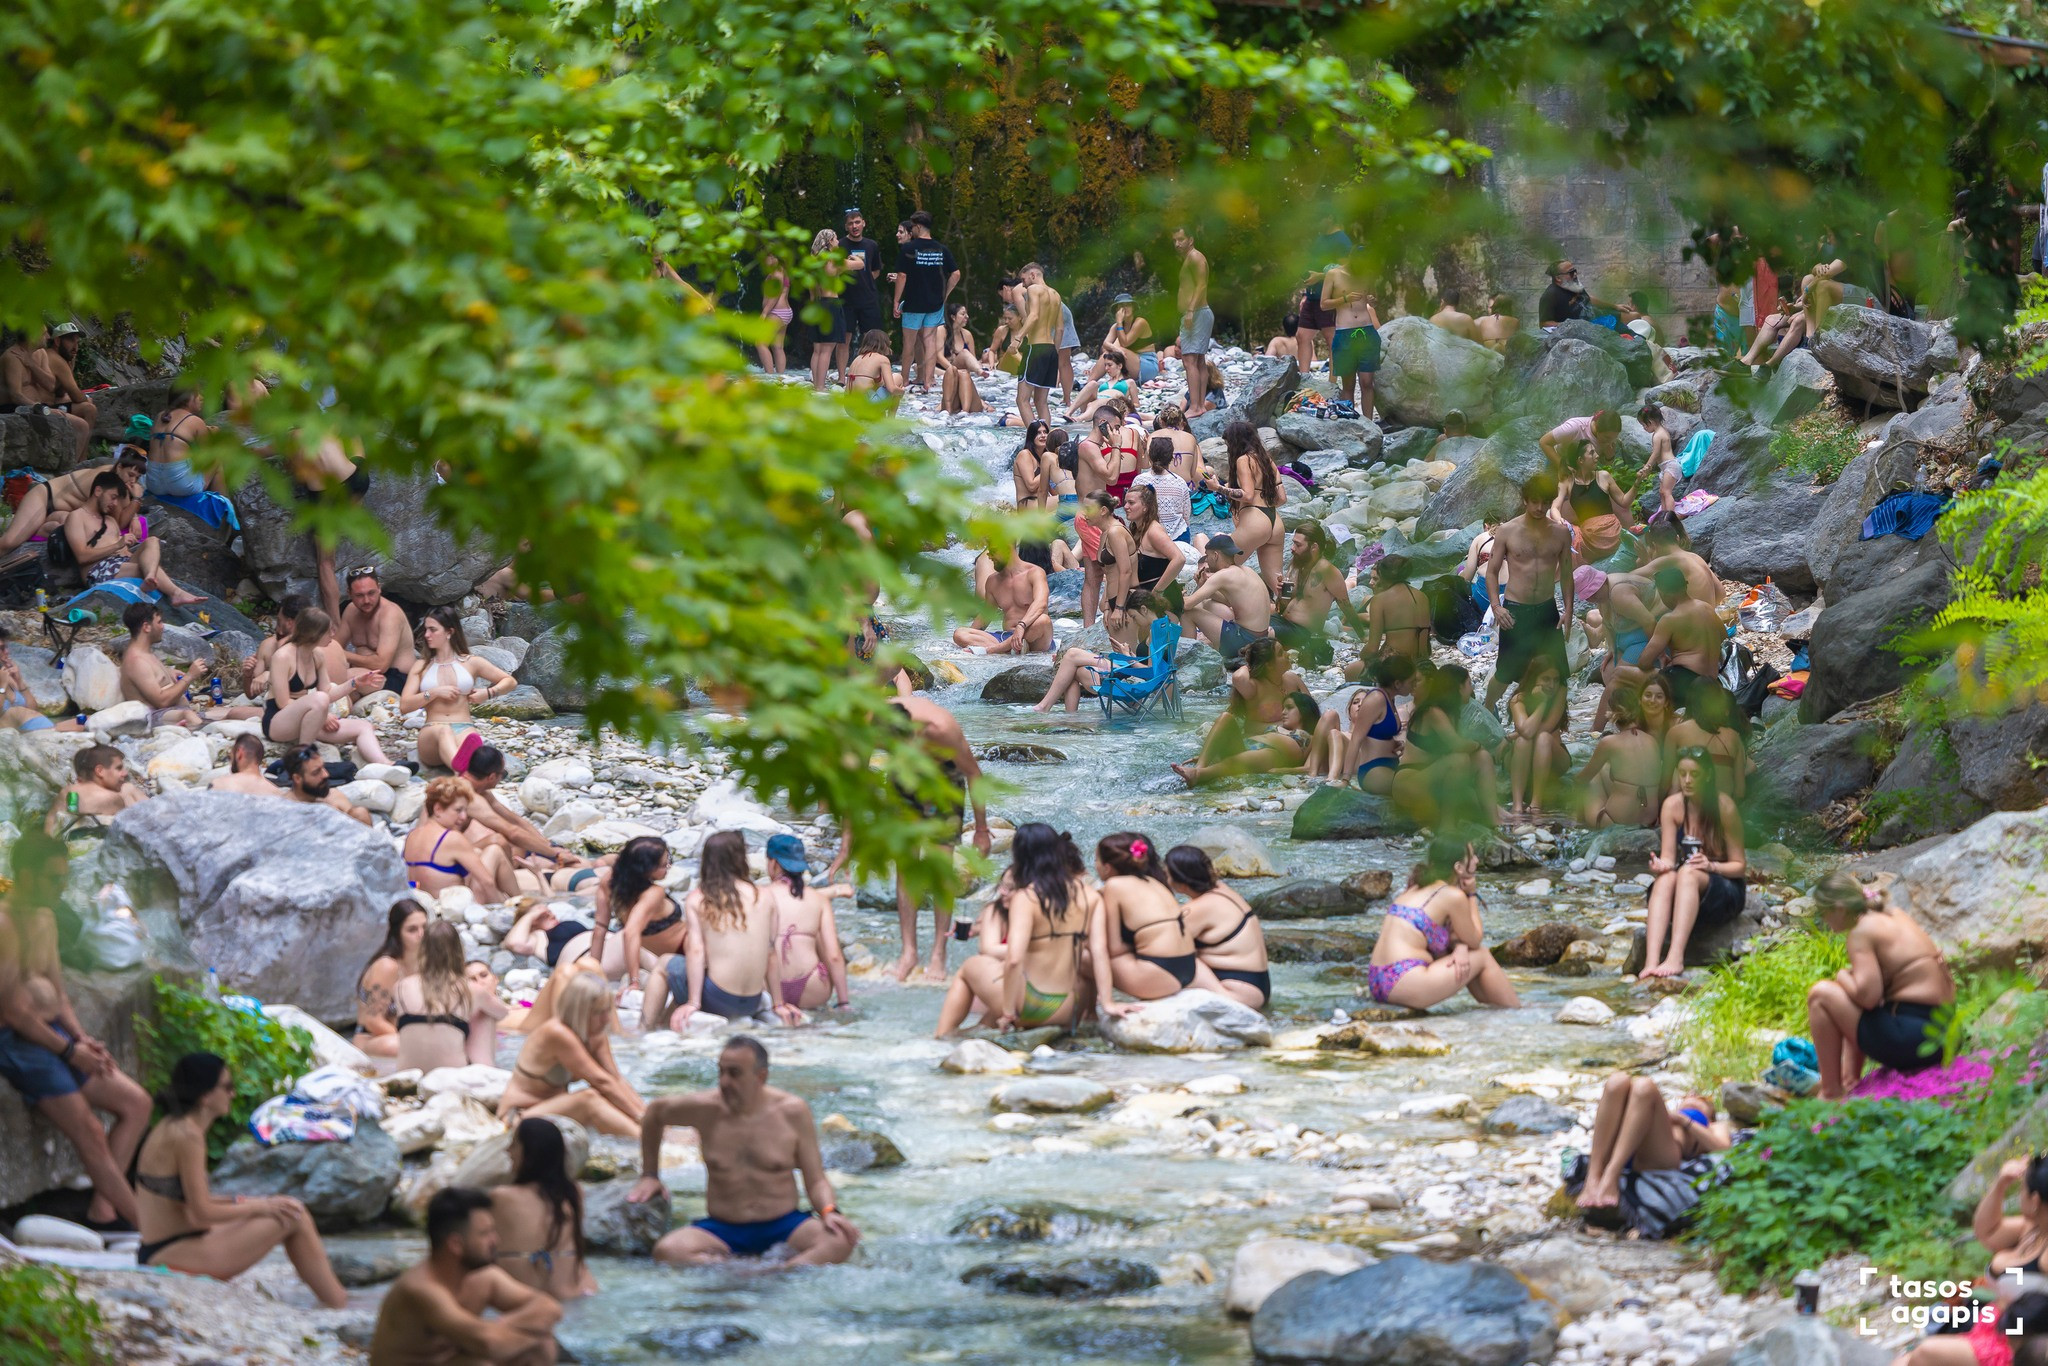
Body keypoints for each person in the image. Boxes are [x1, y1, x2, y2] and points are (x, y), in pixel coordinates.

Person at [0, 830, 151, 1232]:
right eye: (53, 879)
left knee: (137, 1103)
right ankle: (150, 1234)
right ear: (26, 876)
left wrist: (82, 1039)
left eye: (64, 878)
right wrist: (69, 1053)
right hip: (17, 1042)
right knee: (88, 1129)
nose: (61, 887)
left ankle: (104, 1211)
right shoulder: (4, 923)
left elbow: (58, 992)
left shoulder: (45, 917)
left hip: (52, 1033)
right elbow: (13, 1010)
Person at [132, 1050, 347, 1302]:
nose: (233, 1094)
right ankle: (338, 1303)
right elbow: (202, 1213)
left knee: (282, 1207)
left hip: (164, 1246)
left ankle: (336, 1298)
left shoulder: (172, 1126)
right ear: (205, 1095)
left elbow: (191, 1205)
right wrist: (262, 1206)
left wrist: (254, 1203)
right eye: (227, 1087)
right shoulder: (188, 1136)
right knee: (294, 1215)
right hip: (171, 1254)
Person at [632, 1036, 861, 1266]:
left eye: (734, 1073)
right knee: (667, 1251)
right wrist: (650, 1175)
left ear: (761, 1076)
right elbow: (654, 1114)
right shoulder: (704, 1109)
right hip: (723, 1229)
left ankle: (771, 1272)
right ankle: (761, 1273)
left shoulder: (792, 1111)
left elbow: (816, 1179)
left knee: (841, 1240)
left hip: (785, 1226)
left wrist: (829, 1211)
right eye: (721, 1072)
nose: (724, 1082)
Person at [369, 1186, 562, 1366]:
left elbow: (549, 1307)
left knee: (542, 1347)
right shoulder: (421, 1289)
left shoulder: (484, 1277)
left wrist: (504, 1324)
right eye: (485, 1234)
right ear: (456, 1245)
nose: (496, 1240)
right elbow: (488, 1343)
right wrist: (531, 1333)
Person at [1805, 871, 1955, 1099]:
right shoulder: (1894, 914)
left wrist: (1842, 975)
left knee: (1820, 995)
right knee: (1846, 1001)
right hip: (1947, 1032)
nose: (1823, 920)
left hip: (1916, 1039)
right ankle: (1849, 1080)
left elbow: (1868, 997)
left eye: (1823, 912)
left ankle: (1830, 1093)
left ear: (1839, 908)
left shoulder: (1860, 932)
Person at [935, 823, 1094, 1035]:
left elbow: (1012, 959)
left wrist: (1009, 1013)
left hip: (1030, 1005)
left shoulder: (1026, 897)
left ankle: (941, 1036)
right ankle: (976, 1031)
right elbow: (1098, 952)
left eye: (1009, 888)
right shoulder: (1081, 895)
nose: (1004, 893)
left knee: (972, 966)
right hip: (1070, 1008)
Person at [882, 692, 990, 980]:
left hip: (944, 777)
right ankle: (909, 952)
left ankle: (938, 954)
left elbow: (975, 775)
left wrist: (981, 830)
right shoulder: (876, 721)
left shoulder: (942, 731)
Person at [1366, 836, 1518, 1009]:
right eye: (1472, 856)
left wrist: (1460, 947)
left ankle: (1497, 1009)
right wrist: (1471, 895)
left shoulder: (1417, 886)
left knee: (1465, 958)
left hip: (1378, 980)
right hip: (1404, 980)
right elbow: (1475, 940)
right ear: (1459, 868)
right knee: (1482, 955)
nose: (1476, 860)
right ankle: (1518, 1012)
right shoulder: (1451, 895)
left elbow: (1452, 939)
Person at [1640, 746, 1747, 978]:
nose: (1687, 780)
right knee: (1667, 877)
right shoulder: (1672, 805)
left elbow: (1740, 866)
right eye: (1682, 774)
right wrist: (1661, 865)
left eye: (1695, 775)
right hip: (1686, 892)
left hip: (1723, 889)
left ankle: (1676, 957)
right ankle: (1650, 961)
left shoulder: (1724, 806)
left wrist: (1711, 866)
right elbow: (1669, 858)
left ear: (1707, 775)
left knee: (1687, 872)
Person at [500, 969, 645, 1138]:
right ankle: (656, 1145)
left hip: (554, 1111)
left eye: (607, 1011)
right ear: (580, 1011)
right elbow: (601, 1082)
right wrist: (645, 1122)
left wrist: (649, 1115)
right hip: (518, 1117)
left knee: (606, 1095)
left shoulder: (594, 1034)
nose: (606, 1019)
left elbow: (615, 1080)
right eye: (598, 1012)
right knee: (588, 1099)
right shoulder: (556, 1032)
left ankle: (654, 1136)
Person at [1091, 832, 1225, 1011]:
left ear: (1107, 867)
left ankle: (1097, 1009)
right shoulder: (1155, 882)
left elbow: (1114, 950)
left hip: (1158, 976)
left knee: (1085, 956)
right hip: (1187, 970)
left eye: (1096, 860)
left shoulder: (1114, 886)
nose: (1095, 865)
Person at [665, 830, 780, 1026]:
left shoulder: (699, 898)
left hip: (718, 999)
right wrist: (779, 1003)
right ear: (740, 859)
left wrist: (694, 1002)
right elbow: (770, 952)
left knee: (664, 964)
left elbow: (695, 951)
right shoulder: (764, 896)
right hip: (752, 1002)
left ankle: (645, 1029)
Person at [1484, 473, 1575, 710]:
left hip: (1546, 609)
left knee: (1558, 672)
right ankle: (1487, 708)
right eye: (1534, 501)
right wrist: (1496, 606)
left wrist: (1568, 611)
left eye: (1545, 502)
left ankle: (1555, 723)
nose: (1539, 507)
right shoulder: (1507, 531)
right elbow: (1491, 572)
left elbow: (1566, 574)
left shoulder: (1560, 533)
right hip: (1516, 610)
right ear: (1525, 500)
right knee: (1506, 672)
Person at [1575, 1076, 1731, 1211]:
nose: (1692, 1095)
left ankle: (1611, 1175)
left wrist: (1684, 1120)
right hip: (1625, 1148)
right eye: (1687, 1096)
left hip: (1659, 1155)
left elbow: (1724, 1149)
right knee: (1617, 1081)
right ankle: (1593, 1177)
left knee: (1645, 1086)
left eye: (1701, 1099)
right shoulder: (1660, 1114)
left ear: (1711, 1115)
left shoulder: (1713, 1126)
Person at [263, 607, 391, 763]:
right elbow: (282, 702)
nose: (333, 634)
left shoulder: (317, 655)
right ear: (314, 634)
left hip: (308, 718)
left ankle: (387, 764)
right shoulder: (282, 656)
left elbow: (328, 693)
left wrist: (355, 683)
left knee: (363, 727)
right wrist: (322, 716)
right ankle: (303, 758)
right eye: (328, 631)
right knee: (319, 699)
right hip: (278, 722)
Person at [400, 607, 516, 773]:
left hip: (464, 726)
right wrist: (434, 692)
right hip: (432, 730)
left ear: (449, 632)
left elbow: (510, 681)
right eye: (426, 630)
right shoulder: (421, 666)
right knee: (444, 731)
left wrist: (488, 693)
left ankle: (465, 769)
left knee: (470, 739)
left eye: (432, 630)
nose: (426, 635)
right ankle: (462, 770)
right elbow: (404, 705)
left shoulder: (472, 662)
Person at [58, 471, 203, 603]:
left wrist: (127, 549)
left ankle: (150, 576)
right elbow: (81, 557)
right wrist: (117, 545)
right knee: (143, 569)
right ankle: (174, 592)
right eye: (113, 497)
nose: (114, 504)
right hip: (97, 570)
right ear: (98, 491)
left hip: (121, 563)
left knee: (152, 541)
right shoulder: (76, 517)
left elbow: (125, 551)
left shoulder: (110, 520)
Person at [490, 1118, 595, 1301]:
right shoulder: (574, 1193)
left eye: (514, 1144)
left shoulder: (501, 1197)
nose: (508, 1151)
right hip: (577, 1296)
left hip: (523, 1304)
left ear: (530, 1152)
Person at [1390, 664, 1502, 829]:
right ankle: (1448, 825)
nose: (1471, 689)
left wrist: (1479, 750)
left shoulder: (1450, 712)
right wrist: (1478, 744)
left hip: (1433, 777)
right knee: (1459, 759)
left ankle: (1494, 820)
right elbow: (1457, 744)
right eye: (1469, 683)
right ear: (1458, 687)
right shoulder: (1433, 711)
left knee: (1482, 757)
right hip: (1410, 782)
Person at [755, 834, 852, 1017]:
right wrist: (843, 1002)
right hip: (812, 987)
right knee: (813, 935)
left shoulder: (759, 896)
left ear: (773, 863)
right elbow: (834, 956)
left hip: (768, 987)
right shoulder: (818, 900)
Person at [1168, 844, 1270, 1010]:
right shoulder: (1223, 889)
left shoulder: (1200, 907)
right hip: (1256, 986)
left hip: (1236, 995)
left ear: (1180, 883)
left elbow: (1162, 946)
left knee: (1174, 958)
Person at [394, 921, 505, 1072]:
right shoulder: (470, 990)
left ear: (422, 950)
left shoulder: (401, 986)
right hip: (452, 1075)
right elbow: (502, 1013)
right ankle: (487, 1069)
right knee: (486, 1015)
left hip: (408, 1073)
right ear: (458, 952)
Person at [1029, 591, 1163, 714]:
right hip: (1131, 671)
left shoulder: (1156, 632)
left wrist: (1128, 657)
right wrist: (1129, 654)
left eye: (1134, 616)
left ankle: (1045, 706)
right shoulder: (1163, 627)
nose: (1134, 621)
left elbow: (1150, 672)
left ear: (1144, 610)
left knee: (1072, 654)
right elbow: (1152, 665)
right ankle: (1070, 717)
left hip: (1132, 675)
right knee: (1073, 670)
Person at [0, 448, 147, 559]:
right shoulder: (106, 480)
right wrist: (137, 499)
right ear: (120, 467)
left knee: (66, 525)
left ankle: (39, 527)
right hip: (45, 496)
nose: (133, 481)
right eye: (131, 475)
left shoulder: (117, 479)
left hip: (59, 512)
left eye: (137, 477)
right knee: (9, 542)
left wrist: (134, 516)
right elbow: (118, 522)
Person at [405, 776, 529, 900]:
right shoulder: (451, 838)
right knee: (494, 851)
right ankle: (519, 900)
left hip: (430, 904)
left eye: (465, 810)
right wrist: (501, 908)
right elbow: (487, 882)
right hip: (458, 907)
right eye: (458, 810)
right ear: (438, 809)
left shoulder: (412, 835)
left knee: (477, 852)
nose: (464, 817)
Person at [1201, 420, 1285, 596]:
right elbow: (1282, 498)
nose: (1228, 449)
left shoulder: (1243, 460)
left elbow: (1247, 495)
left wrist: (1218, 488)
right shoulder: (1267, 460)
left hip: (1255, 521)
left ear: (1235, 442)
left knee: (1217, 566)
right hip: (1274, 522)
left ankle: (1200, 607)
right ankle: (1293, 611)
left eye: (1228, 444)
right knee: (1278, 581)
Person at [1172, 691, 1318, 785]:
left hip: (1272, 756)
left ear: (1304, 710)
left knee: (1265, 754)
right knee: (1226, 717)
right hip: (1249, 748)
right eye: (1283, 708)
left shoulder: (1313, 736)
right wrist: (1210, 752)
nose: (1284, 712)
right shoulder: (1277, 726)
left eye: (1289, 707)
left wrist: (1281, 770)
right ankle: (1199, 768)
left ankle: (1200, 775)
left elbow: (1310, 767)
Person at [1, 325, 95, 461]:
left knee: (86, 415)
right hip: (16, 408)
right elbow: (16, 396)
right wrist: (43, 409)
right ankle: (69, 471)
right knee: (81, 425)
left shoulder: (40, 353)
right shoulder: (13, 357)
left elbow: (50, 385)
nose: (48, 337)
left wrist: (31, 364)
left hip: (40, 406)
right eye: (44, 333)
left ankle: (79, 463)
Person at [1273, 524, 1361, 668]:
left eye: (1297, 544)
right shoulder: (1296, 564)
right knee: (1255, 625)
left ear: (1314, 547)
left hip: (1302, 631)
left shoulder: (1327, 571)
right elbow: (1282, 607)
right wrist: (1281, 593)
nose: (1292, 548)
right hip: (1284, 621)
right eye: (1293, 543)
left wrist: (1362, 635)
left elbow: (1345, 605)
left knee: (1263, 632)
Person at [1637, 566, 1723, 711]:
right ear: (1685, 585)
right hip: (1712, 681)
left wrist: (1667, 659)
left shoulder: (1670, 619)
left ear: (1665, 593)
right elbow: (1724, 636)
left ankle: (1600, 729)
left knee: (1621, 675)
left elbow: (1644, 662)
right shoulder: (1707, 607)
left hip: (1685, 683)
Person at [1575, 688, 1664, 828]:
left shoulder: (1609, 742)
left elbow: (1582, 779)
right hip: (1650, 820)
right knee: (1608, 770)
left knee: (1594, 778)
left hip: (1616, 821)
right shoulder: (1652, 741)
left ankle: (1578, 824)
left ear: (1612, 714)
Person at [1180, 534, 1274, 664]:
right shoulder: (1247, 570)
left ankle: (1186, 659)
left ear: (1216, 555)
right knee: (1206, 604)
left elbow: (1188, 605)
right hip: (1260, 638)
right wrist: (1202, 585)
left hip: (1244, 639)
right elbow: (1227, 601)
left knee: (1188, 613)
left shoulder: (1223, 575)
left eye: (1207, 556)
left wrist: (1175, 596)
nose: (1207, 560)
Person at [892, 211, 959, 391]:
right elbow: (956, 274)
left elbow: (902, 275)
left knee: (909, 343)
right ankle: (928, 382)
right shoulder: (941, 249)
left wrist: (896, 300)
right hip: (935, 303)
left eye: (912, 227)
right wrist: (945, 294)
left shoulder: (909, 249)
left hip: (914, 302)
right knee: (930, 343)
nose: (911, 230)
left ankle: (905, 380)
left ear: (918, 227)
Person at [117, 601, 206, 730]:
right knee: (189, 715)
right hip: (155, 718)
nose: (163, 627)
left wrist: (168, 672)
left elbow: (149, 676)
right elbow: (161, 701)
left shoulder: (145, 654)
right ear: (146, 627)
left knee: (235, 712)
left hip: (177, 712)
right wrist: (190, 676)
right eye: (159, 622)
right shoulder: (136, 660)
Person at [356, 901, 427, 1058]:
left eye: (425, 927)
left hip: (410, 1035)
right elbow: (372, 1020)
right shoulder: (387, 966)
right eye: (412, 929)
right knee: (399, 1046)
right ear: (397, 933)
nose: (421, 934)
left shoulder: (426, 963)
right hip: (376, 1038)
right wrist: (413, 1040)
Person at [338, 567, 419, 701]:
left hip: (397, 678)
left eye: (371, 593)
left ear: (379, 588)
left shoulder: (390, 614)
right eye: (359, 595)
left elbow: (381, 665)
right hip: (366, 676)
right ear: (349, 593)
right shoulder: (351, 611)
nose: (366, 600)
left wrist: (342, 655)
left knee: (342, 676)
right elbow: (335, 645)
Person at [1505, 655, 1570, 821]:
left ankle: (1536, 803)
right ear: (1535, 678)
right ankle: (1517, 804)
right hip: (1524, 754)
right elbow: (1526, 731)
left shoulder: (1560, 691)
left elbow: (1547, 726)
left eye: (1555, 679)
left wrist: (1512, 735)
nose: (1552, 685)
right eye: (1546, 679)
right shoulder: (1518, 699)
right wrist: (1542, 703)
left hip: (1553, 754)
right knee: (1523, 740)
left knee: (1543, 737)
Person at [952, 550, 1052, 655]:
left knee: (1043, 620)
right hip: (1006, 637)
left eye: (994, 550)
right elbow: (986, 615)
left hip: (1033, 637)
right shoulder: (992, 581)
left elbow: (1041, 603)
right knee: (960, 633)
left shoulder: (1035, 573)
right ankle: (1008, 648)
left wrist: (1021, 626)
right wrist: (971, 634)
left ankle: (994, 650)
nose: (989, 555)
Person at [1666, 681, 1750, 801]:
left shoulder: (1676, 732)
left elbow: (1665, 782)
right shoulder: (1734, 737)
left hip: (1686, 811)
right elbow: (1740, 791)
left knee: (1677, 772)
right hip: (1721, 811)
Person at [1321, 254, 1380, 419]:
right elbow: (1324, 304)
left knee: (1367, 382)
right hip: (1344, 332)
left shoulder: (1366, 274)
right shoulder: (1333, 274)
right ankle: (1352, 421)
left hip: (1366, 330)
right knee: (1348, 384)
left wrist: (1371, 299)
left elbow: (1372, 298)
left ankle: (1369, 423)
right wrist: (1345, 298)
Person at [146, 385, 228, 499]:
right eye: (198, 394)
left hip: (154, 483)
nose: (201, 397)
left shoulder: (160, 416)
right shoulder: (195, 421)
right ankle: (222, 504)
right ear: (188, 399)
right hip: (181, 486)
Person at [47, 743, 147, 835]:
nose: (125, 773)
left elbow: (50, 828)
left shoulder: (70, 792)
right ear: (100, 771)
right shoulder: (113, 797)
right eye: (119, 768)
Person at [1011, 263, 1062, 428]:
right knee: (1041, 402)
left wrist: (1018, 338)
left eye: (1024, 279)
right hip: (1051, 350)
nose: (1023, 284)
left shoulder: (1033, 290)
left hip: (1035, 348)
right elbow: (1060, 328)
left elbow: (1033, 316)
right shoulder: (1056, 295)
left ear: (1033, 274)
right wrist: (1055, 353)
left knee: (1022, 399)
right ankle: (1046, 439)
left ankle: (1034, 438)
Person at [1173, 227, 1216, 418]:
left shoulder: (1195, 257)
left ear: (1190, 239)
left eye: (1181, 239)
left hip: (1197, 312)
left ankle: (1196, 406)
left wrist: (1190, 310)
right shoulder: (1190, 258)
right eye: (1175, 240)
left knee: (1190, 360)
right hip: (1197, 313)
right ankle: (1198, 405)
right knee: (1197, 360)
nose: (1177, 244)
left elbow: (1202, 284)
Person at [0, 627, 75, 734]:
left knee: (87, 720)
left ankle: (55, 729)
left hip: (30, 729)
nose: (7, 652)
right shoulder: (3, 679)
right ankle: (56, 730)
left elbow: (33, 709)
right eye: (1, 648)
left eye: (6, 647)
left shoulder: (7, 675)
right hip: (11, 734)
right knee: (16, 712)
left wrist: (19, 680)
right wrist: (2, 686)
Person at [1363, 554, 1432, 665]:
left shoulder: (1379, 600)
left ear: (1382, 575)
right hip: (1421, 662)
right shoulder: (1422, 596)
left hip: (1395, 664)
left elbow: (1372, 648)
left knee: (1351, 671)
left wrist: (1361, 656)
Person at [1121, 484, 1185, 601]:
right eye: (1125, 502)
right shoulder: (1135, 530)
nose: (1125, 507)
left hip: (1162, 599)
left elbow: (1179, 559)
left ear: (1145, 507)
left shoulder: (1154, 531)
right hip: (1142, 597)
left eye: (1131, 503)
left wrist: (1157, 591)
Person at [279, 745, 371, 825]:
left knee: (360, 813)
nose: (326, 775)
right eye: (316, 772)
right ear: (297, 778)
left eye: (323, 768)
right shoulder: (285, 809)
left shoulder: (333, 796)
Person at [1132, 436, 1195, 550]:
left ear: (1150, 456)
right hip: (1178, 538)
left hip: (1147, 538)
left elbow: (1133, 511)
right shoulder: (1179, 482)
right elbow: (1186, 515)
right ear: (1171, 458)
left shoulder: (1139, 480)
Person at [806, 229, 849, 392]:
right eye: (836, 238)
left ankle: (816, 384)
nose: (838, 242)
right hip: (830, 304)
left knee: (817, 349)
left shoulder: (814, 262)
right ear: (830, 241)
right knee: (826, 349)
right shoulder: (832, 261)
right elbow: (859, 264)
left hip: (816, 304)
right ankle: (820, 386)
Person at [1087, 293, 1158, 387]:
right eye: (1121, 306)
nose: (1125, 308)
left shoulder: (1140, 322)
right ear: (1117, 310)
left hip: (1147, 365)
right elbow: (1105, 344)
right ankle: (1089, 384)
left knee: (1119, 352)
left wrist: (1119, 322)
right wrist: (1115, 348)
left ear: (1133, 308)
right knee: (1108, 353)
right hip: (1131, 363)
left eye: (1128, 305)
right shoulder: (1116, 326)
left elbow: (1125, 343)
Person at [838, 208, 886, 347]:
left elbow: (876, 270)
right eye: (851, 223)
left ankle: (869, 367)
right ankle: (841, 370)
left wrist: (865, 280)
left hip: (868, 298)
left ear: (863, 223)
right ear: (846, 226)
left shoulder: (871, 245)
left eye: (857, 222)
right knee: (844, 340)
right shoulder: (839, 245)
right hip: (846, 299)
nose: (854, 226)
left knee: (872, 337)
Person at [1633, 402, 1681, 519]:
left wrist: (1647, 467)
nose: (1644, 428)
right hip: (1665, 467)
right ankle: (1664, 516)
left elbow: (1655, 453)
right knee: (1662, 492)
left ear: (1652, 421)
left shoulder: (1658, 435)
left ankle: (1670, 519)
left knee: (1666, 492)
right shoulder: (1661, 431)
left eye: (1644, 424)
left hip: (1670, 466)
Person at [1538, 259, 1619, 327]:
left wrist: (1615, 307)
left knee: (1629, 316)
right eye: (1571, 273)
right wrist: (1570, 326)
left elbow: (1588, 298)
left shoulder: (1574, 285)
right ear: (1558, 278)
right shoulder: (1551, 295)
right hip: (1584, 330)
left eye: (1575, 271)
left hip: (1598, 318)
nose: (1575, 274)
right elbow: (1543, 323)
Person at [937, 303, 985, 415]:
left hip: (964, 374)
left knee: (964, 371)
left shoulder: (967, 334)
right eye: (963, 314)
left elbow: (972, 358)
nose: (967, 316)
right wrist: (953, 370)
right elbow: (938, 356)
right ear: (953, 317)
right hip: (948, 370)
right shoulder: (941, 330)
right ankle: (979, 370)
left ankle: (965, 412)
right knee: (957, 365)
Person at [207, 732, 282, 797]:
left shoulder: (219, 785)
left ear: (239, 753)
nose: (230, 760)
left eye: (231, 755)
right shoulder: (276, 793)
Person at [845, 327, 905, 406]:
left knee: (877, 385)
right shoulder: (882, 359)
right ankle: (891, 418)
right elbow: (891, 389)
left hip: (849, 408)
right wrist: (902, 391)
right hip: (867, 407)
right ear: (884, 344)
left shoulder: (858, 358)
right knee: (897, 377)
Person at [755, 254, 791, 375]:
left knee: (760, 343)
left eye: (769, 257)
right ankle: (780, 378)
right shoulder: (782, 270)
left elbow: (775, 295)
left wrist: (764, 313)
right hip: (784, 312)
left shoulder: (776, 273)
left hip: (776, 312)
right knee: (778, 347)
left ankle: (770, 376)